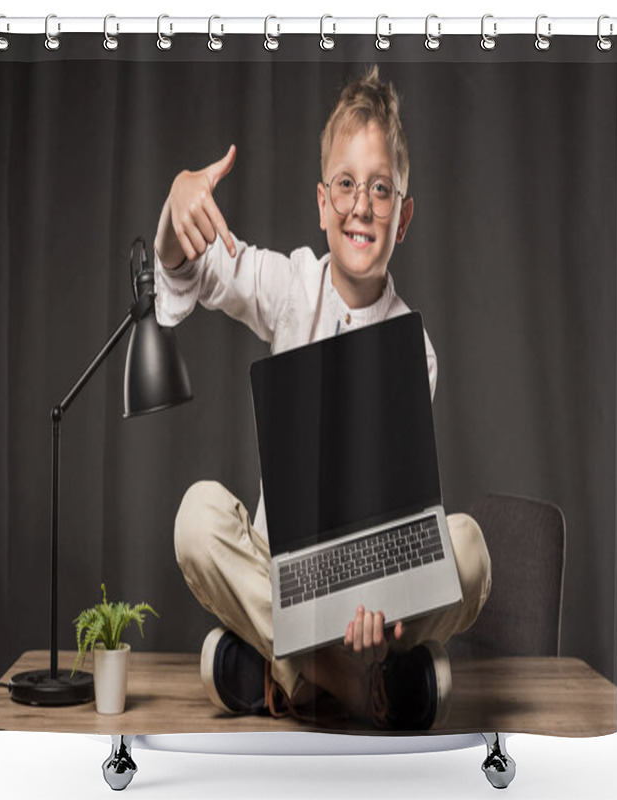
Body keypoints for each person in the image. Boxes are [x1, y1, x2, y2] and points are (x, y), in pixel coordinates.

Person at [153, 66, 491, 731]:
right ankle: (352, 678)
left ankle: (290, 671)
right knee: (197, 516)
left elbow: (395, 506)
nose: (361, 205)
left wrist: (376, 602)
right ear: (320, 203)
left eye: (380, 189)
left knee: (470, 546)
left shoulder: (414, 350)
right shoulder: (290, 288)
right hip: (283, 576)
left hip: (371, 592)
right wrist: (175, 210)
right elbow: (192, 267)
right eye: (345, 184)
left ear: (403, 216)